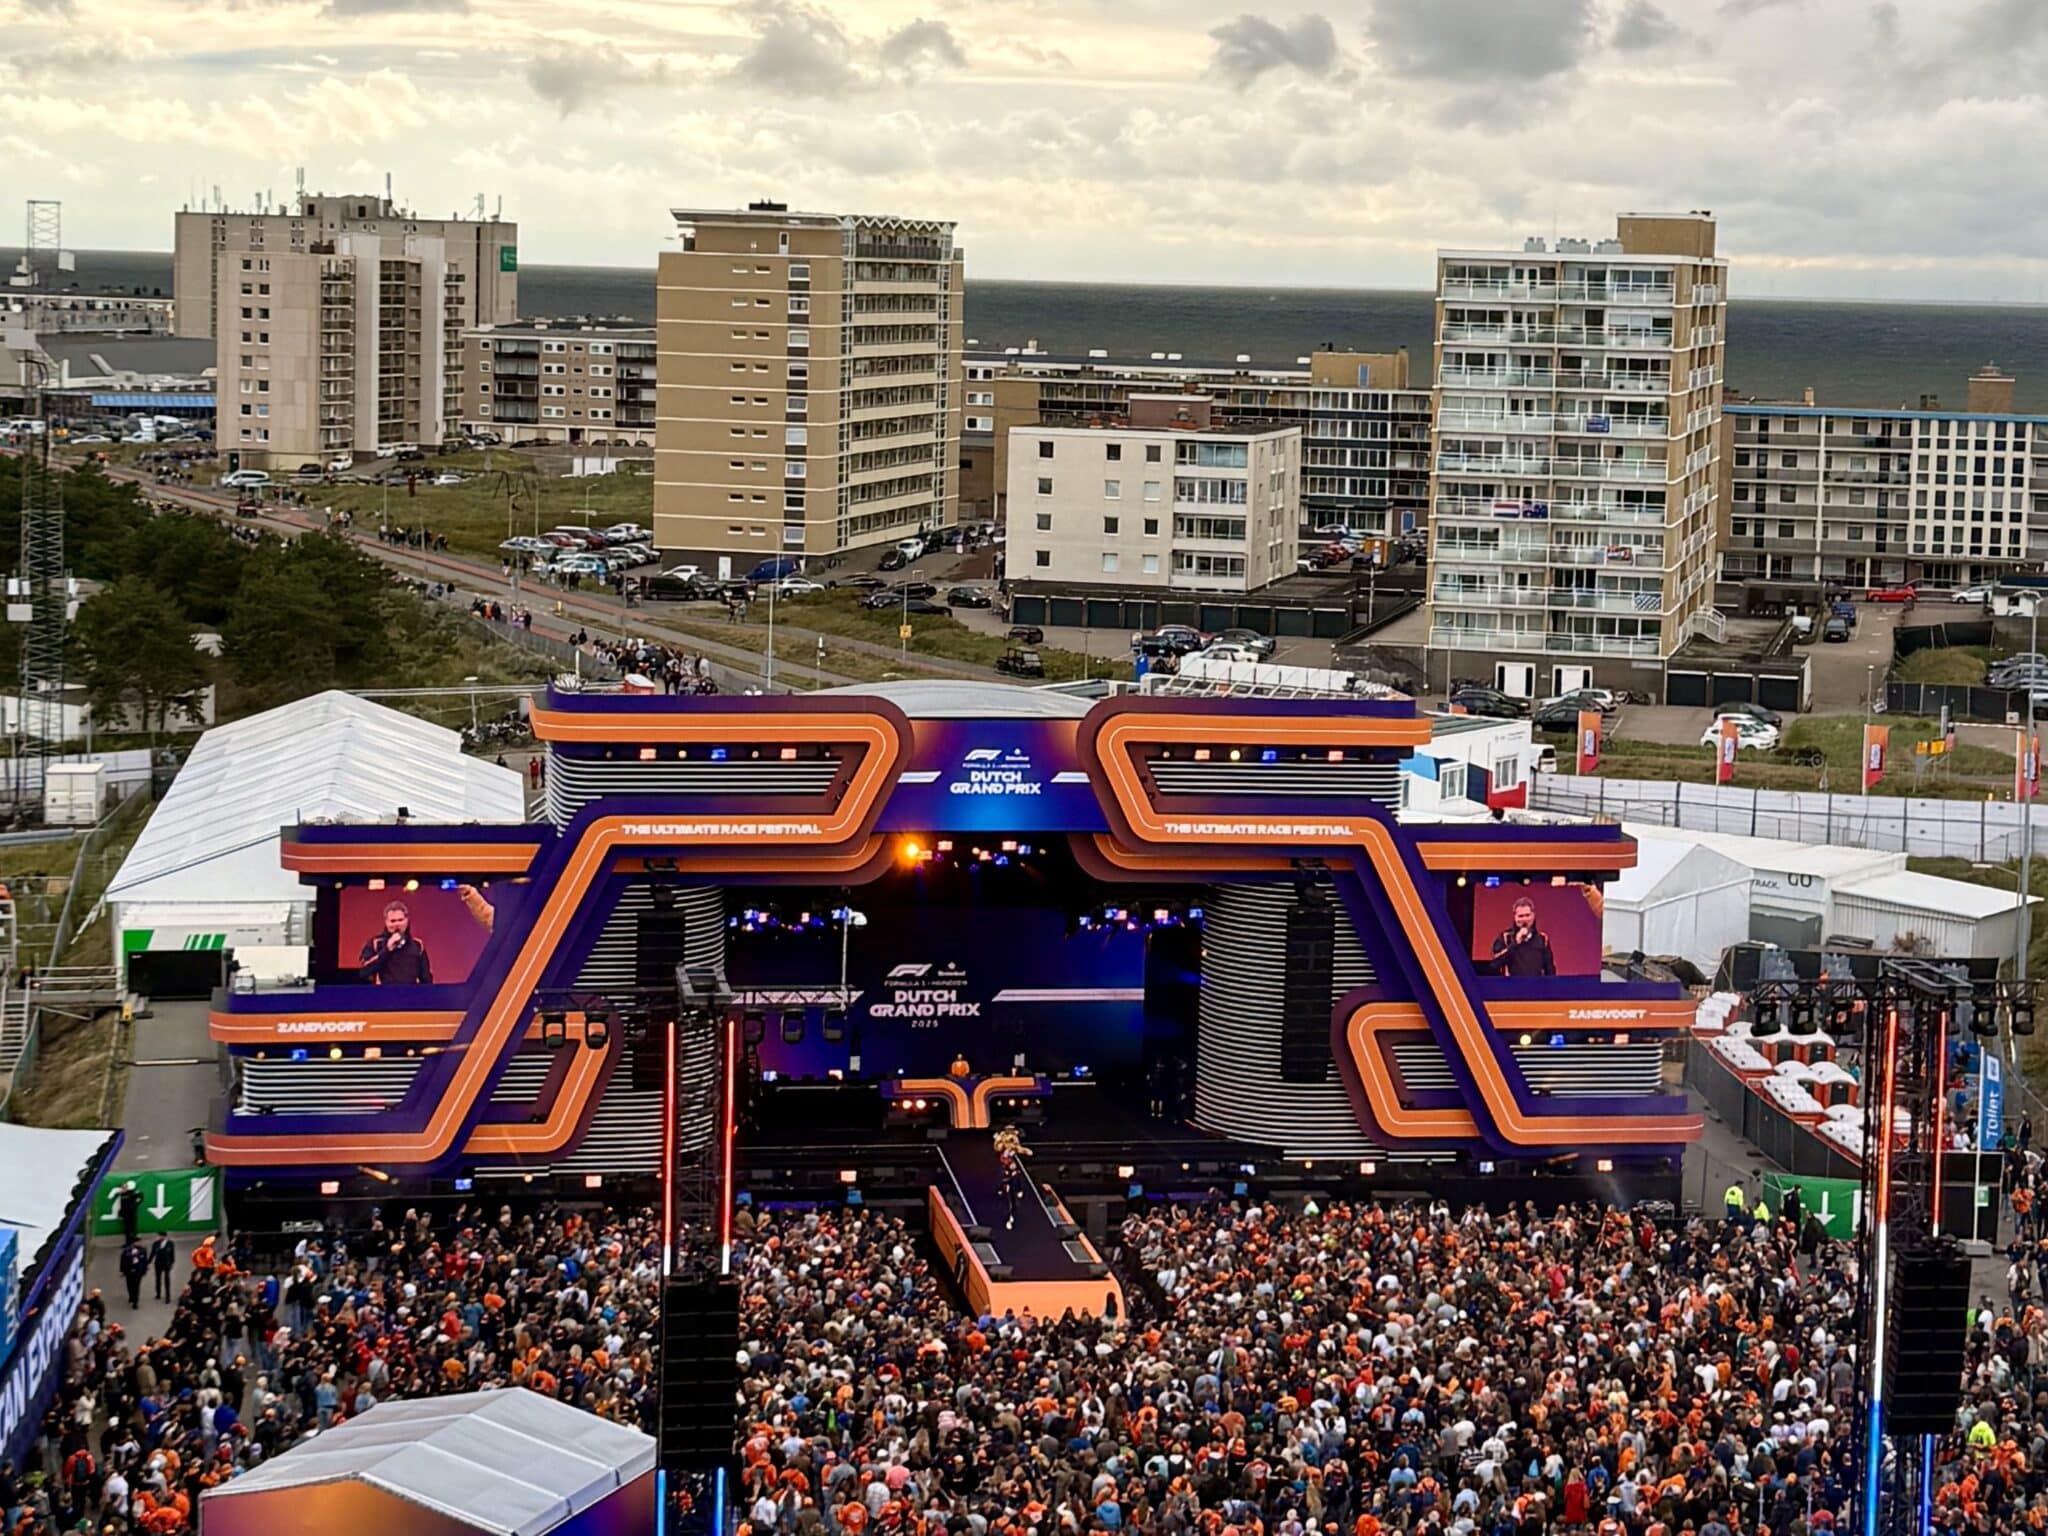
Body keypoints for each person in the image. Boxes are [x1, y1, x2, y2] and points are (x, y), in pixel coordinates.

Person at [358, 900, 432, 985]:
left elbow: (426, 978)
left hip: (411, 992)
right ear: (386, 922)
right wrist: (387, 950)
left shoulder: (417, 945)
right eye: (392, 921)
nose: (397, 924)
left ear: (407, 920)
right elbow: (364, 972)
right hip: (384, 992)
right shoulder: (376, 943)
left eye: (400, 920)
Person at [1484, 895, 1556, 977]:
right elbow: (1495, 964)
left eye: (1527, 915)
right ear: (1515, 917)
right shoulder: (1505, 937)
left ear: (1533, 916)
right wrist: (1515, 943)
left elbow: (1550, 969)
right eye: (1520, 916)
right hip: (1512, 984)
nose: (1524, 919)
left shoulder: (1543, 939)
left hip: (1536, 984)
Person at [118, 1241, 148, 1310]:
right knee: (130, 1285)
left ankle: (135, 1302)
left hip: (138, 1272)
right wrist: (122, 1270)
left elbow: (145, 1261)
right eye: (137, 1242)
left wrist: (144, 1270)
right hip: (129, 1271)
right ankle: (131, 1296)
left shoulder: (143, 1250)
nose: (140, 1243)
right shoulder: (126, 1251)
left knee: (136, 1287)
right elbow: (122, 1261)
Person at [149, 1233, 176, 1302]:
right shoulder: (156, 1243)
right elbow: (152, 1253)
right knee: (158, 1279)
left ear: (165, 1236)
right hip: (158, 1264)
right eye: (159, 1236)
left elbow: (172, 1254)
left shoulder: (170, 1244)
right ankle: (158, 1294)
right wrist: (149, 1262)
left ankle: (167, 1296)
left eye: (160, 1236)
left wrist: (172, 1262)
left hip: (166, 1264)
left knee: (167, 1280)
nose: (159, 1237)